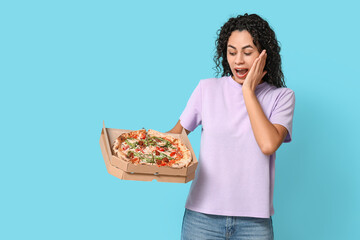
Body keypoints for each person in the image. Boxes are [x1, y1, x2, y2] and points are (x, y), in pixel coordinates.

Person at [168, 13, 295, 240]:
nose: (238, 61)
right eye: (231, 52)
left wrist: (248, 91)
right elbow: (174, 138)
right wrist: (138, 146)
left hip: (254, 224)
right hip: (201, 219)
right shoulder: (206, 89)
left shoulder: (281, 97)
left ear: (264, 55)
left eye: (247, 53)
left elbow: (268, 144)